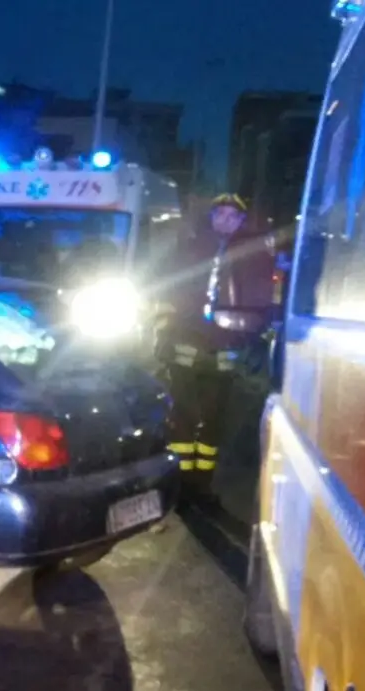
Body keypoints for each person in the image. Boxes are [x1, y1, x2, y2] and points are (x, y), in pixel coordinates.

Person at [157, 193, 277, 503]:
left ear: (240, 221)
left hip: (222, 354)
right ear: (212, 217)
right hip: (186, 349)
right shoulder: (190, 249)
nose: (225, 220)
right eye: (219, 214)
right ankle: (180, 486)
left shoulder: (252, 254)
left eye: (232, 216)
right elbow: (169, 289)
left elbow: (260, 302)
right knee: (183, 417)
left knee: (213, 421)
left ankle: (202, 486)